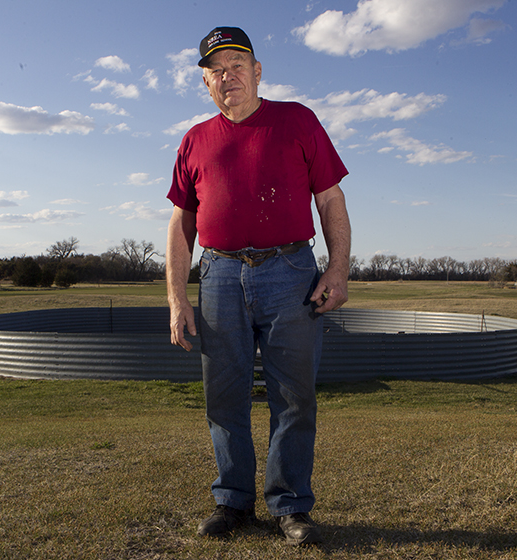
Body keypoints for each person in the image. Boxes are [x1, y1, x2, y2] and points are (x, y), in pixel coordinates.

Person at [166, 26, 351, 546]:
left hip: (290, 271)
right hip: (219, 274)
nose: (228, 77)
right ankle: (232, 501)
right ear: (206, 82)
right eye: (216, 70)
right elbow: (181, 224)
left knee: (293, 396)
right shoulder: (195, 139)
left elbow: (331, 200)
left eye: (237, 66)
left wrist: (337, 270)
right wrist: (177, 298)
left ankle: (290, 506)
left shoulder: (297, 120)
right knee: (223, 396)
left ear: (258, 71)